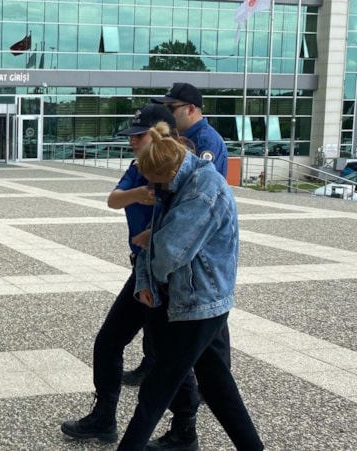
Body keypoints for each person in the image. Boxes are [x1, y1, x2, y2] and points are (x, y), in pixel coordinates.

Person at [116, 121, 263, 451]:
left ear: (169, 171)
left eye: (155, 182)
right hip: (192, 300)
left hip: (200, 303)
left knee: (157, 388)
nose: (152, 189)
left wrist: (149, 272)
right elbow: (156, 240)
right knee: (216, 385)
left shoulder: (202, 190)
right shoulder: (173, 181)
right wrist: (145, 280)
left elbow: (168, 252)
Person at [61, 104, 199, 449]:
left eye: (138, 136)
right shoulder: (139, 167)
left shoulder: (183, 170)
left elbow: (189, 228)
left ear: (160, 135)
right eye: (132, 137)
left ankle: (184, 430)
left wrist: (155, 235)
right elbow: (113, 199)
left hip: (169, 276)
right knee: (110, 341)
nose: (132, 142)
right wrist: (138, 194)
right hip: (143, 270)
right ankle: (104, 417)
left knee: (171, 356)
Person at [123, 82, 230, 388]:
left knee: (208, 323)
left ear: (191, 109)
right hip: (174, 244)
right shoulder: (174, 140)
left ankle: (209, 384)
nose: (166, 113)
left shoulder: (205, 142)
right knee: (170, 318)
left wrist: (158, 240)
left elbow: (197, 201)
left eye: (171, 108)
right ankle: (161, 369)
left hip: (194, 247)